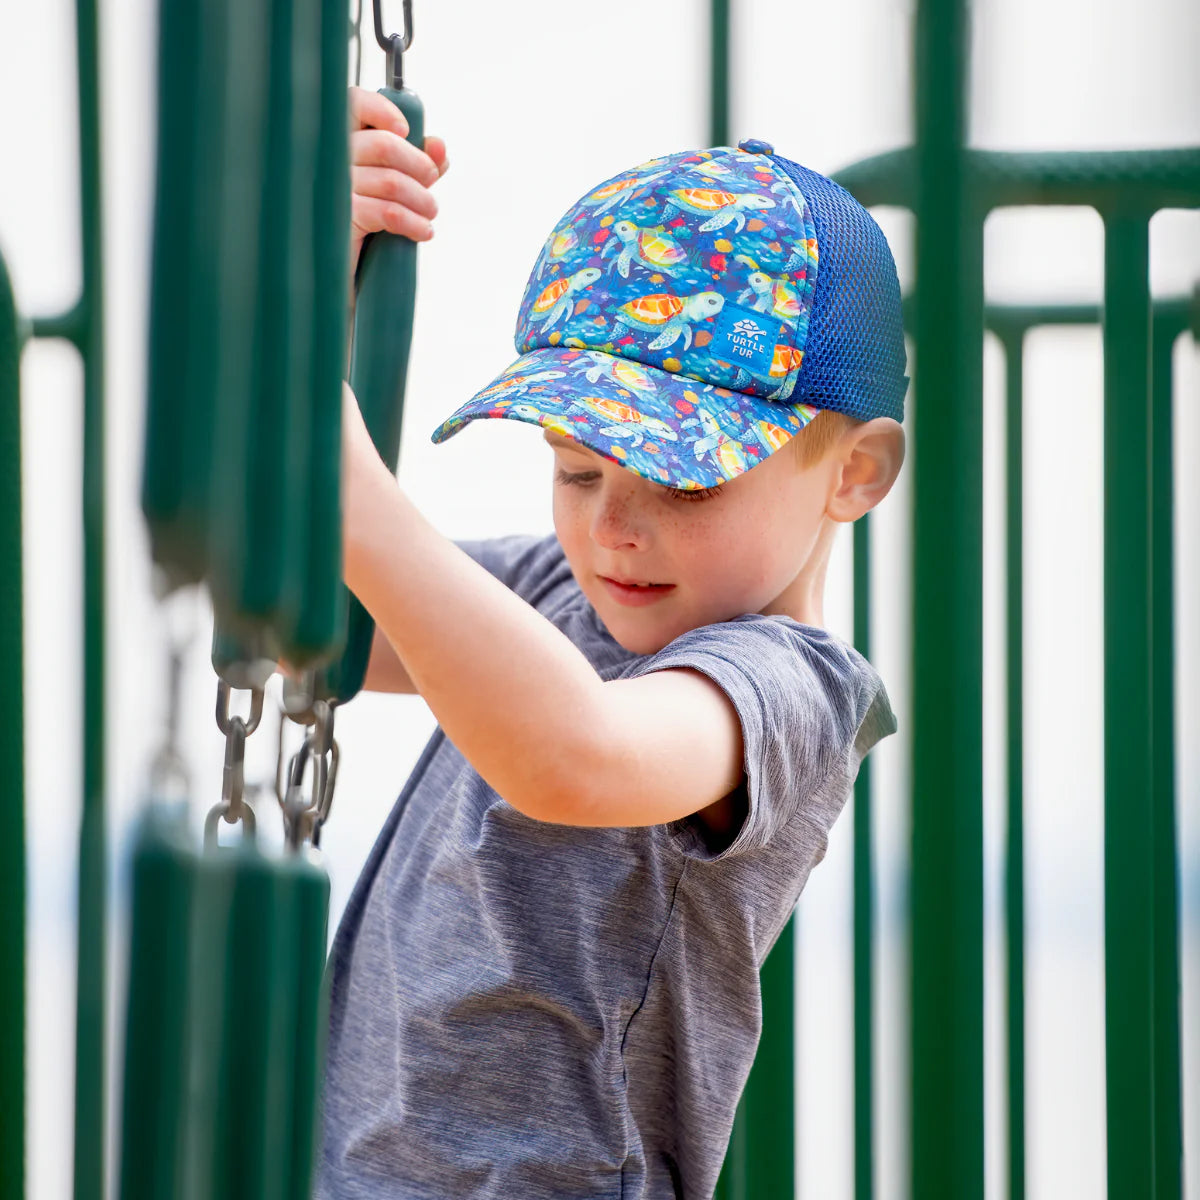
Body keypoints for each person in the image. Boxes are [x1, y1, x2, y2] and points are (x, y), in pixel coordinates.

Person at [318, 88, 907, 1199]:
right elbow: (309, 619)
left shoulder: (786, 690)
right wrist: (305, 286)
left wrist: (345, 481)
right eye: (576, 468)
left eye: (680, 479)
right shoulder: (559, 589)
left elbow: (572, 755)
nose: (611, 526)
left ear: (854, 473)